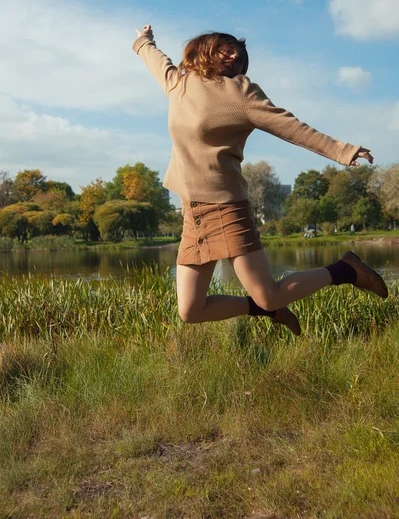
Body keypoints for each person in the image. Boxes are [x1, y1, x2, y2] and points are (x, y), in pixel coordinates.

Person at [133, 25, 388, 336]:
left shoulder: (241, 93)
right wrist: (144, 40)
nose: (234, 54)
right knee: (190, 310)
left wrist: (343, 151)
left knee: (268, 293)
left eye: (239, 55)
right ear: (203, 49)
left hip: (226, 208)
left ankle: (346, 270)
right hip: (192, 212)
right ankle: (265, 311)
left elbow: (290, 126)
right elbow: (153, 57)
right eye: (226, 47)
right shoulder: (178, 82)